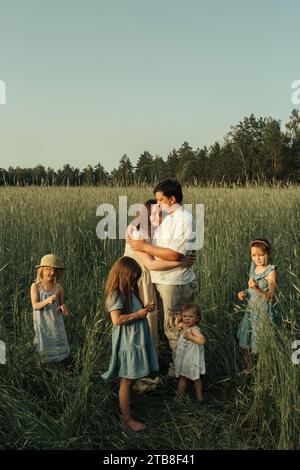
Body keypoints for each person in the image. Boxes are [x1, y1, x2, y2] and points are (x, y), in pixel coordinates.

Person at [127, 179, 198, 377]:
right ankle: (176, 367)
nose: (157, 204)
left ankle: (180, 374)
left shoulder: (183, 219)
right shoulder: (170, 217)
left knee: (174, 330)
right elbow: (175, 254)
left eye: (160, 200)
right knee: (169, 329)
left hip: (175, 283)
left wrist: (144, 247)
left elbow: (175, 254)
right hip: (165, 280)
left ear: (172, 199)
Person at [101, 256, 159, 432]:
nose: (134, 280)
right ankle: (127, 419)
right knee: (127, 379)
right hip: (127, 342)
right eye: (132, 277)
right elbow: (116, 319)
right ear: (124, 275)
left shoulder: (129, 292)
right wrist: (139, 315)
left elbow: (134, 310)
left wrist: (145, 309)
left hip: (135, 340)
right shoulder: (116, 294)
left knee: (130, 377)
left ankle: (129, 406)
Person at [237, 238, 278, 373]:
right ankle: (249, 367)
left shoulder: (271, 271)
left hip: (263, 312)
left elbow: (270, 296)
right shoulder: (253, 268)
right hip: (250, 310)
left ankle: (267, 373)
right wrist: (243, 293)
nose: (258, 258)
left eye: (261, 254)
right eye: (254, 255)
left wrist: (257, 289)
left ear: (268, 254)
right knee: (247, 338)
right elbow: (250, 288)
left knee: (262, 343)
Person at [30, 254, 70, 364]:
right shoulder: (36, 287)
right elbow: (35, 306)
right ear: (41, 270)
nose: (52, 272)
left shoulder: (59, 288)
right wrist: (47, 301)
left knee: (58, 340)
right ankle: (43, 366)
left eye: (56, 270)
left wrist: (63, 307)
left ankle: (61, 362)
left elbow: (62, 304)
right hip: (42, 322)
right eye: (49, 269)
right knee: (43, 343)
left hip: (56, 322)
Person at [175, 303, 206, 402]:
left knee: (196, 378)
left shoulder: (195, 329)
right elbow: (177, 326)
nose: (187, 319)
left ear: (197, 319)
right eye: (185, 316)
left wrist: (190, 337)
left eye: (191, 316)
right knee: (182, 377)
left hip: (192, 359)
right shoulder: (183, 325)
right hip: (184, 358)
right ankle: (180, 397)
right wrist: (178, 320)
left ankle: (199, 397)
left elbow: (202, 341)